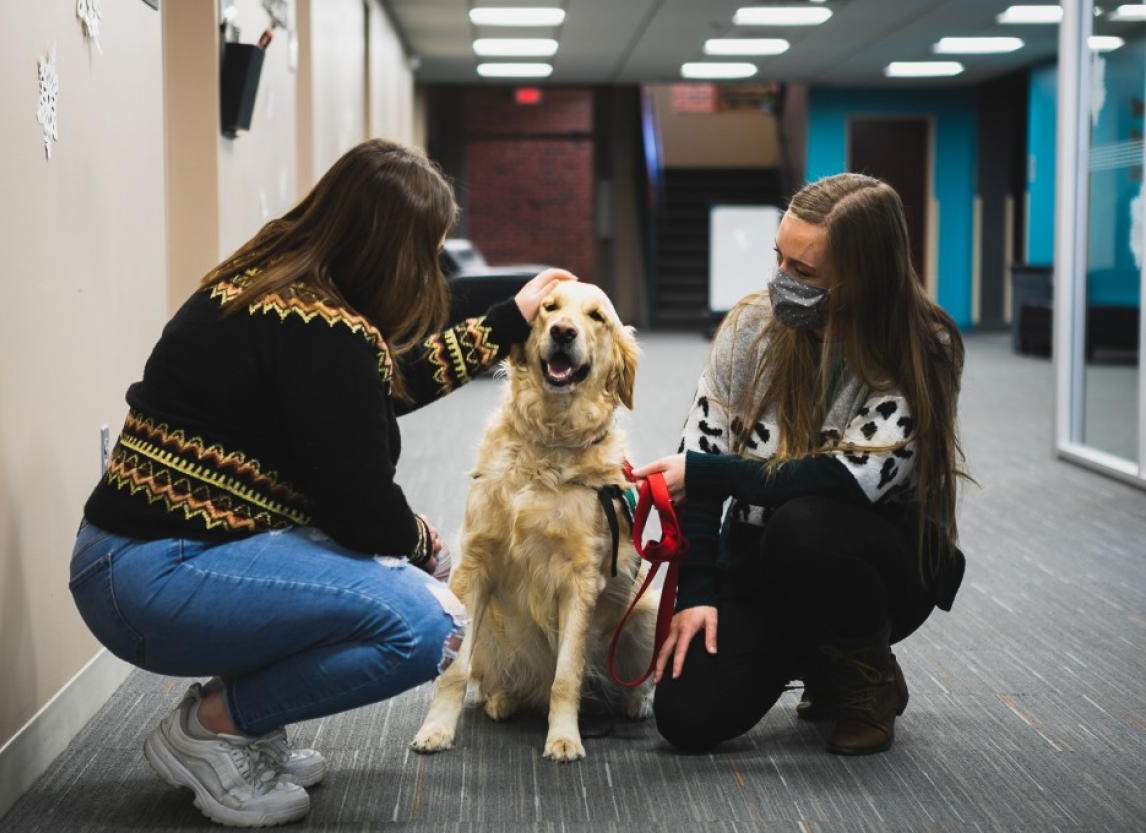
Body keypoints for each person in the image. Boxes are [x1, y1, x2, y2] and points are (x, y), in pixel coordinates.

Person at [68, 139, 574, 826]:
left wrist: (506, 319)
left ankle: (240, 721)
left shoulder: (268, 284)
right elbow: (362, 509)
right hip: (153, 575)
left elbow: (378, 386)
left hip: (135, 557)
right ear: (393, 251)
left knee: (366, 568)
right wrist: (423, 543)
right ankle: (215, 728)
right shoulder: (325, 331)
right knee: (431, 622)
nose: (429, 270)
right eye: (426, 251)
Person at [634, 173, 968, 757]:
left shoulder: (923, 345)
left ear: (864, 278)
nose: (780, 281)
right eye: (779, 259)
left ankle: (863, 671)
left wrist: (710, 474)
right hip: (763, 558)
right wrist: (698, 594)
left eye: (804, 272)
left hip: (876, 562)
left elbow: (847, 480)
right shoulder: (751, 326)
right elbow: (702, 458)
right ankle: (818, 652)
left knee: (805, 523)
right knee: (686, 717)